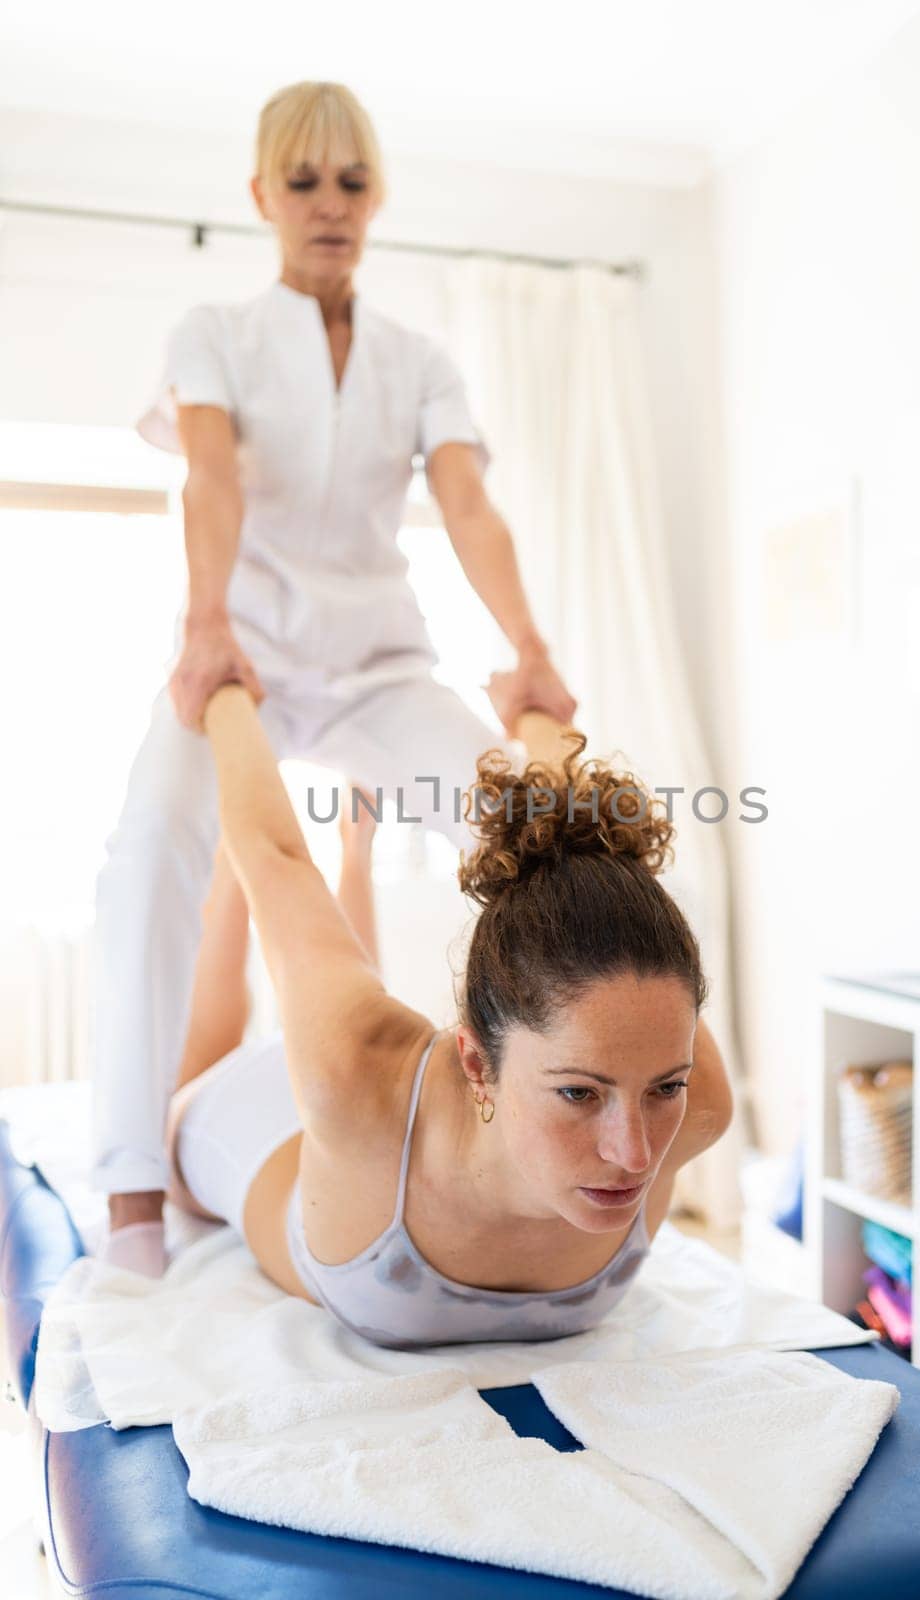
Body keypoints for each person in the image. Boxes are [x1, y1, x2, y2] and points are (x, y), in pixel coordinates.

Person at [92, 79, 577, 1273]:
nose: (328, 205)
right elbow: (211, 480)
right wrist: (205, 628)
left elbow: (466, 504)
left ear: (376, 197)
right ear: (262, 196)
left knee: (535, 829)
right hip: (237, 661)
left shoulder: (418, 361)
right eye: (302, 182)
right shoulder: (216, 333)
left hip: (376, 667)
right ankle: (131, 1192)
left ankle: (531, 1124)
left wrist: (531, 650)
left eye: (350, 182)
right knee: (148, 847)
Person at [162, 682, 733, 1348]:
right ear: (475, 1064)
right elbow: (279, 861)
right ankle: (326, 849)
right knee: (232, 1030)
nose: (633, 1154)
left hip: (363, 1128)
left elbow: (594, 865)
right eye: (579, 1093)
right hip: (265, 1123)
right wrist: (226, 693)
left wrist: (535, 714)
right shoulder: (353, 1075)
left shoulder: (698, 1104)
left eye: (665, 1087)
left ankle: (358, 845)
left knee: (341, 1014)